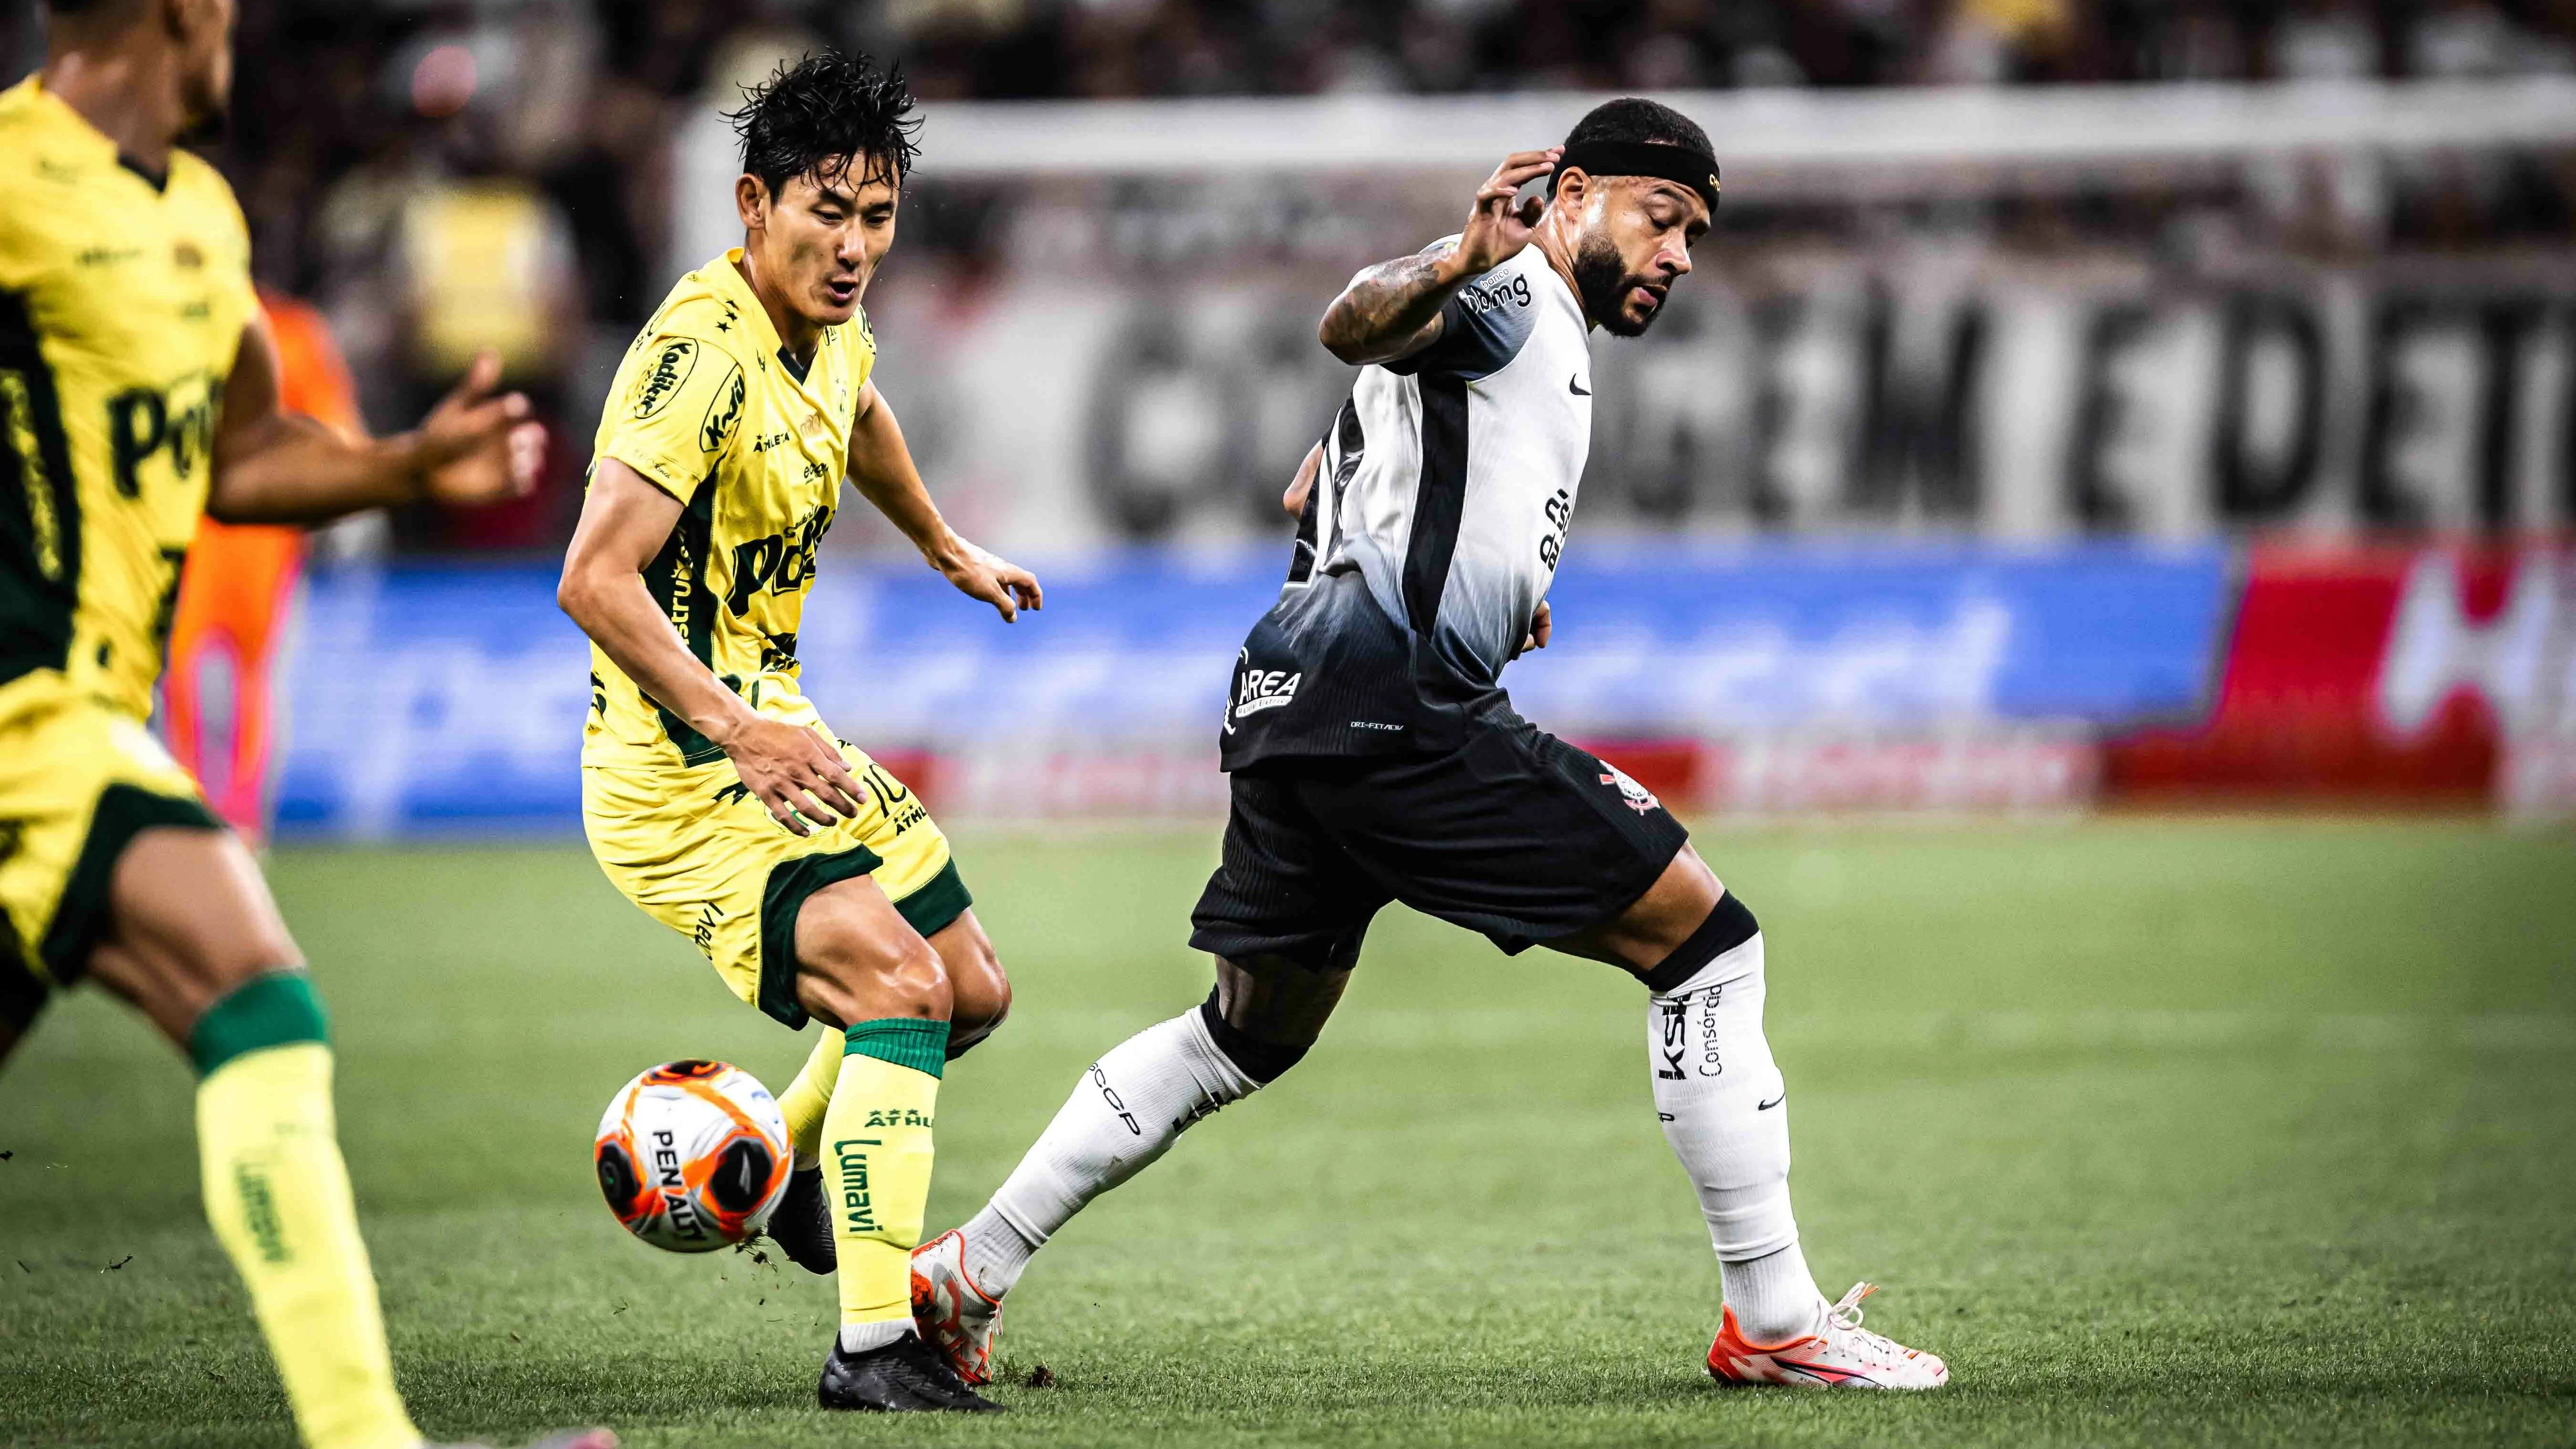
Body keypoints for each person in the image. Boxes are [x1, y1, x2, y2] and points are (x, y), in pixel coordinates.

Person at [910, 98, 1950, 1393]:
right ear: (1570, 197)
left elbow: (1377, 437)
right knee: (1707, 945)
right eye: (1663, 217)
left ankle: (964, 1272)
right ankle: (1776, 1314)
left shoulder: (1507, 344)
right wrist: (1454, 258)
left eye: (1697, 233)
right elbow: (1356, 316)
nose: (1683, 253)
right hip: (1396, 709)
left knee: (1246, 1031)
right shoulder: (1512, 288)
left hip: (1290, 701)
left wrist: (1505, 578)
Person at [0, 2, 610, 1446]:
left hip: (86, 710)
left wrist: (408, 461)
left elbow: (246, 451)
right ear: (178, 12)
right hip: (28, 711)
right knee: (258, 990)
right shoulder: (13, 180)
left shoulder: (199, 217)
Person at [555, 51, 1039, 1415]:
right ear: (752, 203)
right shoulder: (694, 354)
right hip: (681, 775)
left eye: (877, 216)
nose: (853, 247)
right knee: (900, 990)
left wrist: (943, 543)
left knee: (974, 992)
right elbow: (593, 577)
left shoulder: (834, 332)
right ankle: (872, 1344)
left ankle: (794, 1158)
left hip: (778, 733)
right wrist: (732, 729)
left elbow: (862, 409)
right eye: (826, 212)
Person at [162, 289, 360, 844]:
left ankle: (245, 822)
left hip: (266, 536)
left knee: (253, 677)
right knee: (181, 675)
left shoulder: (294, 332)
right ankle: (190, 813)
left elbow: (335, 428)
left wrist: (343, 504)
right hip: (190, 529)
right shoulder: (176, 317)